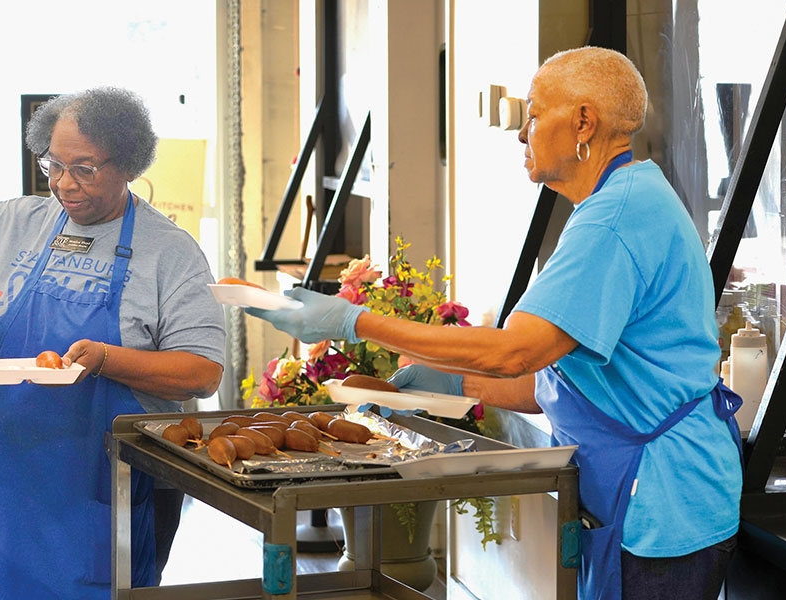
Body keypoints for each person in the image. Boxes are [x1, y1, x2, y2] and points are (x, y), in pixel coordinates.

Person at [245, 47, 743, 600]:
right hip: (641, 495)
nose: (522, 132)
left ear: (583, 121)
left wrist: (356, 321)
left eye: (533, 113)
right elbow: (553, 382)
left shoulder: (616, 220)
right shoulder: (618, 201)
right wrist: (451, 385)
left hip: (663, 504)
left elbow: (517, 351)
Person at [0, 87, 226, 598]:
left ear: (129, 165)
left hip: (111, 487)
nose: (65, 185)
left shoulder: (171, 253)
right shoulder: (12, 223)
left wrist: (106, 359)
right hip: (13, 482)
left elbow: (202, 372)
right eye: (54, 164)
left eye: (85, 169)